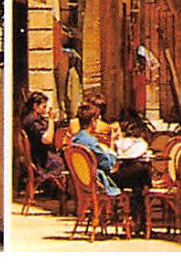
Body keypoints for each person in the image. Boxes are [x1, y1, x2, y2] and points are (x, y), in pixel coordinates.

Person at [74, 102, 151, 236]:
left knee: (137, 178)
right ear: (93, 121)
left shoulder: (77, 139)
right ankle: (140, 221)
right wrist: (112, 150)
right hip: (103, 179)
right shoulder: (90, 141)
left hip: (90, 179)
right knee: (141, 170)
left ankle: (138, 221)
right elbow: (109, 163)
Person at [21, 92, 67, 181]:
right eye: (44, 107)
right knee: (69, 161)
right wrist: (51, 119)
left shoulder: (36, 119)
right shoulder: (32, 122)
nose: (45, 110)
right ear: (35, 106)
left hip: (44, 156)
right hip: (43, 160)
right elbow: (47, 140)